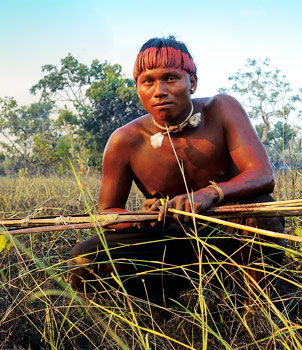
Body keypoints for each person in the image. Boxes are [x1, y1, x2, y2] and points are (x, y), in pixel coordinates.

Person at [69, 36, 284, 302]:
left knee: (261, 207)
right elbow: (107, 212)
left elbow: (262, 174)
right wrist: (142, 218)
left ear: (192, 83)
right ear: (138, 89)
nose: (159, 90)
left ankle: (258, 304)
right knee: (85, 260)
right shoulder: (125, 140)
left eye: (170, 78)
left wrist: (209, 194)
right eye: (148, 81)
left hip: (227, 231)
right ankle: (167, 309)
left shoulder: (221, 109)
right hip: (166, 240)